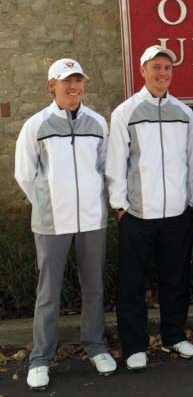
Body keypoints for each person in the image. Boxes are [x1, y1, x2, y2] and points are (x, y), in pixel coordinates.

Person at [15, 58, 116, 390]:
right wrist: (47, 203)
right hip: (51, 222)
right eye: (66, 82)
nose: (74, 87)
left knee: (93, 288)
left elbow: (106, 168)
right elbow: (25, 175)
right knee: (48, 293)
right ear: (51, 85)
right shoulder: (36, 125)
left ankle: (96, 346)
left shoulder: (98, 123)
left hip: (91, 219)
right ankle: (41, 358)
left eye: (78, 81)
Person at [106, 45, 193, 371]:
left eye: (167, 68)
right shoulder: (125, 112)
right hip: (137, 214)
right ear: (143, 70)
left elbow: (191, 161)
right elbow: (115, 163)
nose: (162, 74)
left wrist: (190, 200)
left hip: (176, 212)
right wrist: (120, 205)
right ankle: (134, 345)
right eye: (156, 67)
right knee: (132, 283)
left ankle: (173, 336)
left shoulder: (184, 112)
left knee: (176, 279)